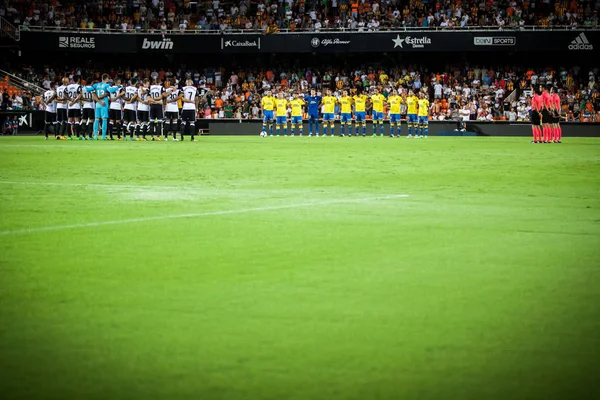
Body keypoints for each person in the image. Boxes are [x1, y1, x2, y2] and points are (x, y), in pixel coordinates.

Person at [84, 74, 123, 140]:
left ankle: (95, 136)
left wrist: (84, 87)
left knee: (96, 120)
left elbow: (88, 89)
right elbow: (111, 90)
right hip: (104, 104)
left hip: (97, 105)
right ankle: (103, 136)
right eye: (108, 78)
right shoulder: (106, 85)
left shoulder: (96, 85)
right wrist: (118, 86)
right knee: (104, 120)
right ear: (106, 78)